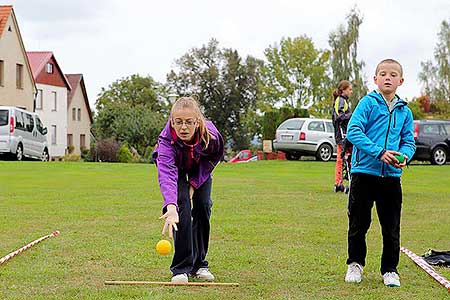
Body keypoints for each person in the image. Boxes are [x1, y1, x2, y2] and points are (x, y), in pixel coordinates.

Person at [344, 59, 416, 287]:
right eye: (383, 74)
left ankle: (390, 270)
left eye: (393, 74)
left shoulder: (405, 110)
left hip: (391, 178)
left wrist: (403, 156)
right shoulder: (367, 103)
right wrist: (379, 152)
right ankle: (355, 264)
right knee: (358, 224)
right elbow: (353, 132)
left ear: (401, 81)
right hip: (364, 173)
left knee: (391, 226)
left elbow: (408, 142)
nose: (388, 77)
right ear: (375, 79)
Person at [153, 96, 224, 283]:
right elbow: (167, 174)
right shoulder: (166, 140)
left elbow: (213, 159)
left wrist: (194, 182)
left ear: (197, 121)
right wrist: (170, 207)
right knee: (181, 206)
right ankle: (181, 269)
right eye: (178, 122)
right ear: (172, 121)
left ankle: (200, 264)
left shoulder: (211, 136)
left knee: (203, 205)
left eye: (188, 122)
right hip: (176, 168)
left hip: (200, 167)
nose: (183, 127)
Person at [332, 80, 353, 192]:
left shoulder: (343, 101)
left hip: (343, 134)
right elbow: (339, 117)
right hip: (342, 135)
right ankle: (341, 182)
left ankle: (339, 182)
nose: (351, 91)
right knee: (344, 158)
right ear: (343, 90)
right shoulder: (340, 101)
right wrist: (352, 115)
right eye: (349, 89)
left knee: (342, 159)